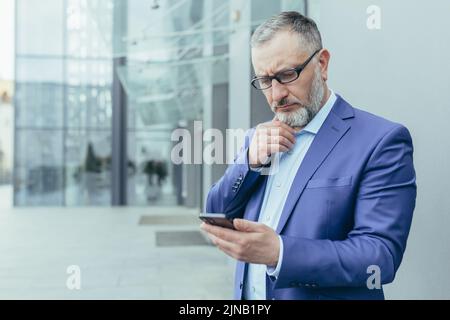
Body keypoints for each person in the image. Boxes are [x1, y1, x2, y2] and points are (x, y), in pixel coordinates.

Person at [201, 11, 416, 300]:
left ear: (322, 64)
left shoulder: (381, 141)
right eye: (265, 80)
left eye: (287, 75)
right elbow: (215, 212)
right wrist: (248, 162)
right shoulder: (258, 138)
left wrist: (281, 253)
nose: (276, 95)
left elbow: (380, 258)